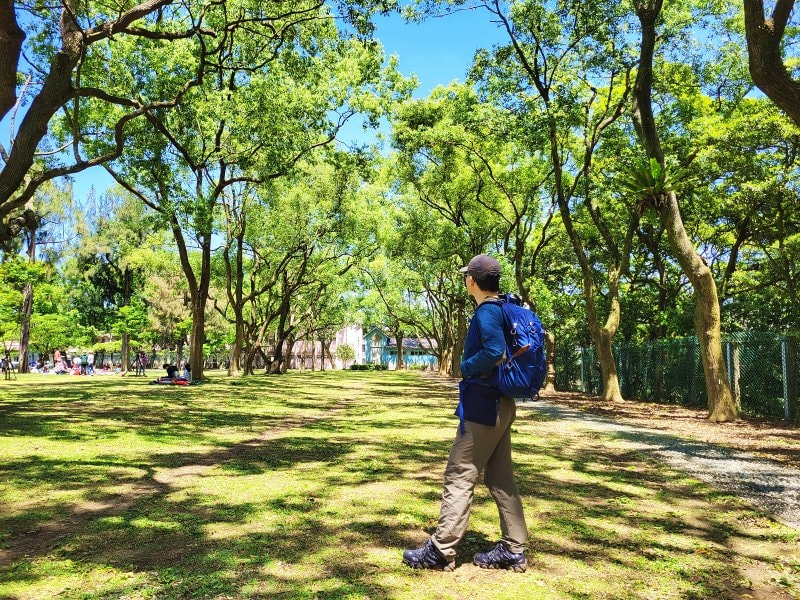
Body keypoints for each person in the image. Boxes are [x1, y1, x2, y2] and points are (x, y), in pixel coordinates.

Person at [402, 254, 528, 573]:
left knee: (459, 475)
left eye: (466, 277)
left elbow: (493, 353)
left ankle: (441, 551)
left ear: (472, 281)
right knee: (501, 479)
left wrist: (465, 367)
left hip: (484, 406)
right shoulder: (505, 307)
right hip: (502, 404)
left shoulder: (486, 312)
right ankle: (514, 549)